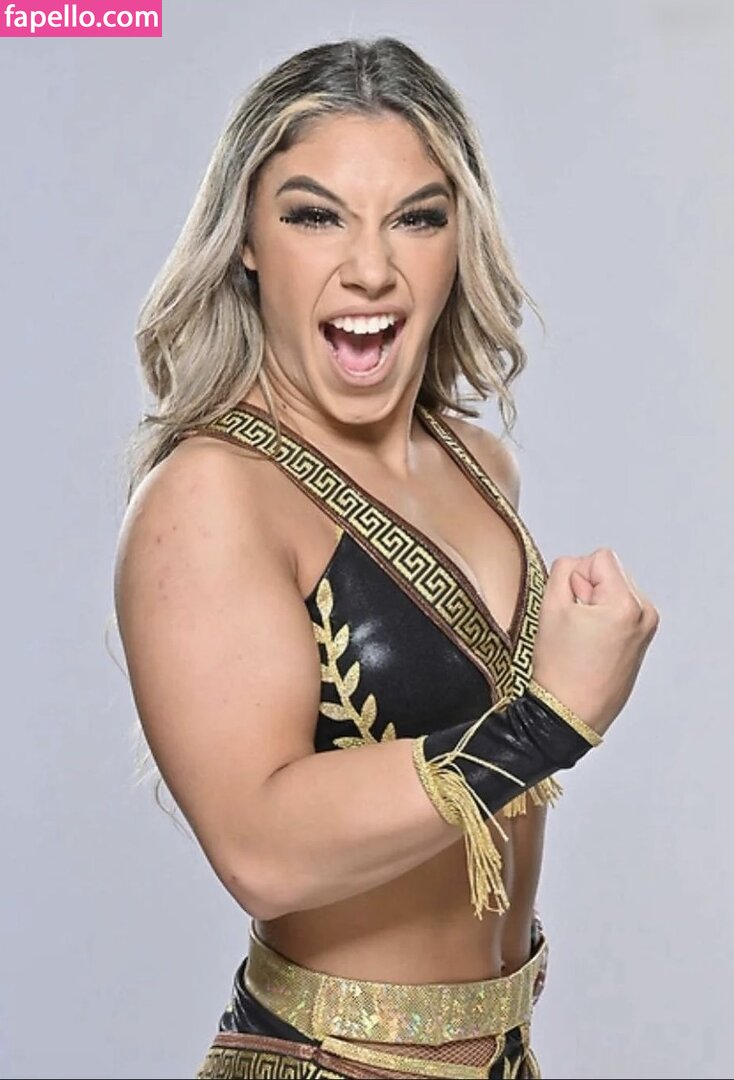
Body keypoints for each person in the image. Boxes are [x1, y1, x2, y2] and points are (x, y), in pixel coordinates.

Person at [114, 36, 659, 1080]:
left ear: (461, 238)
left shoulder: (479, 463)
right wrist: (547, 721)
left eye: (417, 216)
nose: (370, 267)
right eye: (314, 216)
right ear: (246, 241)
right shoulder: (212, 493)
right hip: (326, 1061)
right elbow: (260, 849)